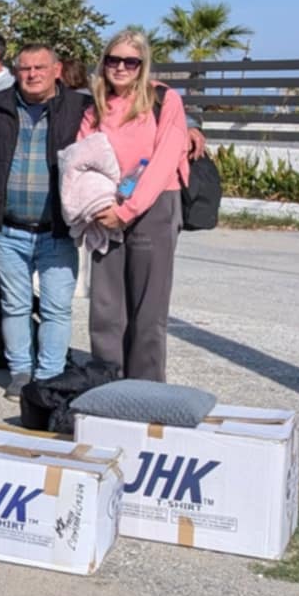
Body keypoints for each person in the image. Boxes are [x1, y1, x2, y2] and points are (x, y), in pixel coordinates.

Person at [0, 42, 88, 398]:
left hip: (57, 229)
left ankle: (50, 376)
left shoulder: (80, 107)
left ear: (57, 69)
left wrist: (191, 124)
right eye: (25, 68)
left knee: (57, 307)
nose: (32, 74)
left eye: (40, 67)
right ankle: (21, 373)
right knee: (15, 305)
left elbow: (136, 105)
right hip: (8, 228)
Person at [80, 28, 189, 382]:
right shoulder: (94, 104)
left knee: (147, 308)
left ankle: (145, 389)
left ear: (143, 65)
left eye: (131, 61)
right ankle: (107, 381)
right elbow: (82, 158)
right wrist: (97, 207)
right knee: (106, 306)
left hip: (152, 207)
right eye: (114, 59)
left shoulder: (164, 99)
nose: (121, 67)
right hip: (105, 207)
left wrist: (127, 211)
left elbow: (164, 160)